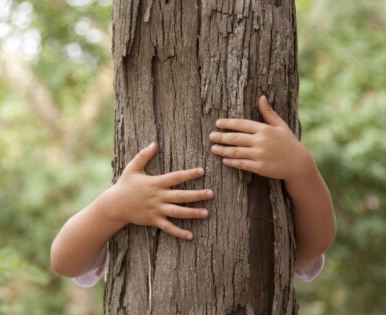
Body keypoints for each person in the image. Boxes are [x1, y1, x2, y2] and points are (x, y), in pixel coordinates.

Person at [50, 96, 337, 287]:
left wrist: (302, 170)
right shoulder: (134, 211)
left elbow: (311, 247)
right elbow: (65, 261)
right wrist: (112, 208)